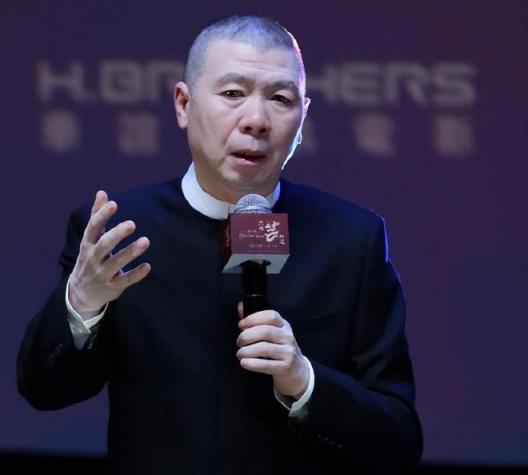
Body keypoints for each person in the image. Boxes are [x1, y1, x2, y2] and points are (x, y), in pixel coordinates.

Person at [18, 15, 422, 474]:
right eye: (233, 93)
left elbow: (399, 439)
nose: (256, 120)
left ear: (303, 118)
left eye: (280, 99)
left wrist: (304, 382)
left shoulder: (350, 239)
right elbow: (42, 390)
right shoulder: (119, 233)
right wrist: (82, 305)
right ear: (183, 104)